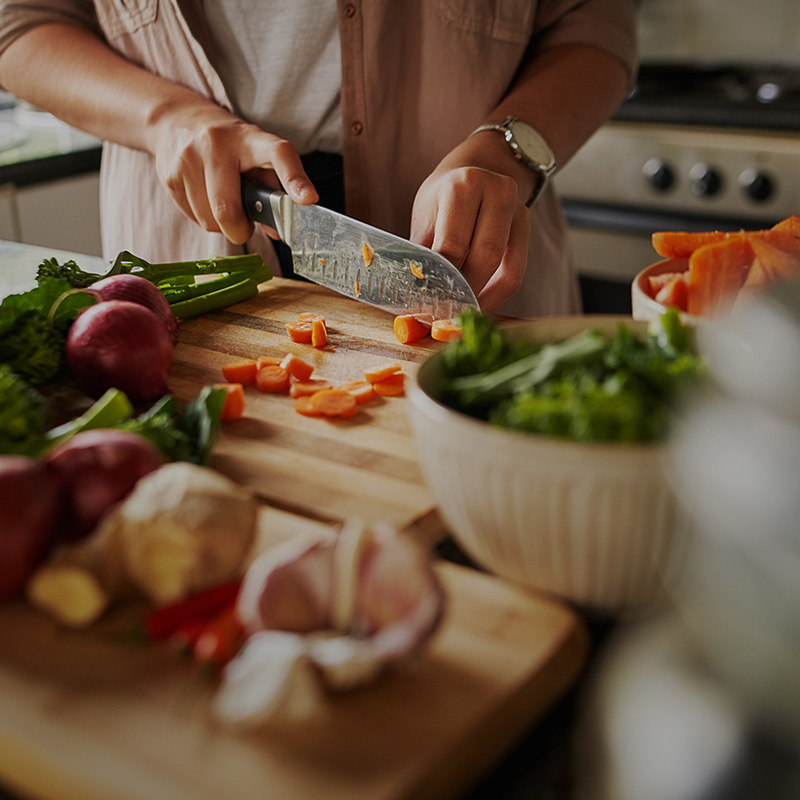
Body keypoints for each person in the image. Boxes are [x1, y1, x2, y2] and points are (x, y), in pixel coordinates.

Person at [0, 1, 637, 317]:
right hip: (198, 241)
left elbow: (595, 26)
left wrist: (507, 149)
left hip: (479, 244)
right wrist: (166, 118)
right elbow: (21, 22)